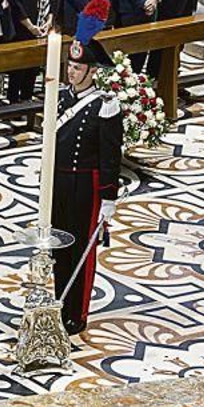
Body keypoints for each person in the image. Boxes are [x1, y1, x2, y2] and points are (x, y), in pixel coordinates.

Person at [53, 32, 122, 335]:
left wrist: (108, 198)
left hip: (85, 185)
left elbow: (110, 156)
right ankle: (58, 303)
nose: (71, 72)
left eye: (78, 68)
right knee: (58, 245)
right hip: (59, 181)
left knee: (80, 249)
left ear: (92, 71)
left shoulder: (105, 105)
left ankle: (76, 313)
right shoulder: (60, 97)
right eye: (69, 65)